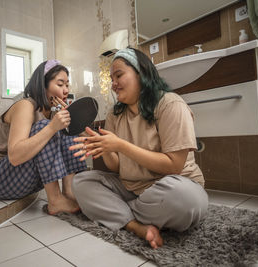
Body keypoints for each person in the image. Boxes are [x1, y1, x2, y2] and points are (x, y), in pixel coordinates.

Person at [69, 48, 208, 249]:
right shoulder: (114, 115)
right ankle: (136, 225)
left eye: (119, 75)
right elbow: (116, 167)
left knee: (187, 200)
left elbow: (174, 166)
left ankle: (119, 213)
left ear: (141, 73)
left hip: (171, 186)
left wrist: (121, 145)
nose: (113, 84)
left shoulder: (170, 104)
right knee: (81, 182)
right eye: (111, 79)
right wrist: (106, 147)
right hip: (131, 189)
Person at [0, 60, 87, 215]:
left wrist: (69, 120)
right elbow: (14, 156)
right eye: (60, 85)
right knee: (47, 127)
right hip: (0, 179)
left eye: (67, 85)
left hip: (27, 180)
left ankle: (69, 192)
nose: (66, 90)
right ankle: (55, 201)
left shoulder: (51, 112)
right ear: (43, 86)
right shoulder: (26, 105)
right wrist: (52, 127)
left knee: (67, 128)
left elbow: (77, 140)